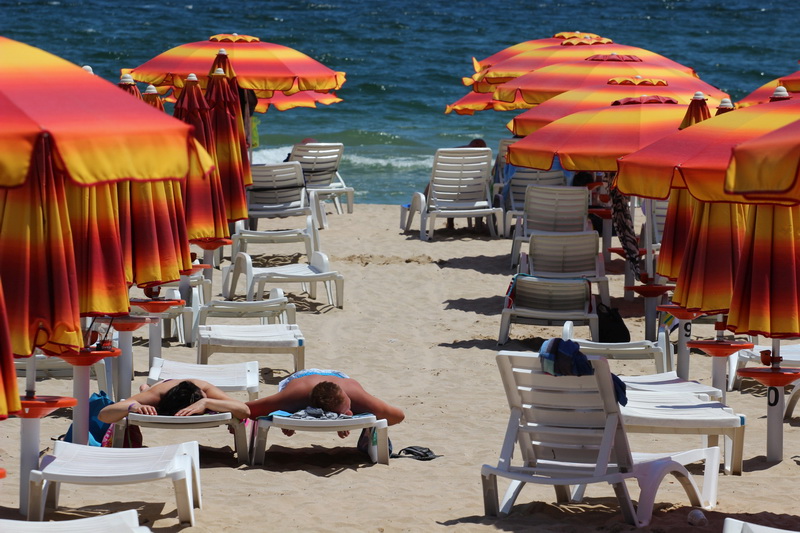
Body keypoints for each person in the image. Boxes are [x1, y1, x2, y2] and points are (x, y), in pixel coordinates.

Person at [245, 369, 405, 437]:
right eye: (346, 412)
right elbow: (247, 409)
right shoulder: (293, 397)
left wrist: (349, 418)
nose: (350, 413)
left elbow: (398, 416)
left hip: (337, 377)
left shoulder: (352, 392)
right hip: (301, 378)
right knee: (284, 406)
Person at [98, 379, 250, 424]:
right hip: (163, 385)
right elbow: (103, 415)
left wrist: (206, 402)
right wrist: (134, 406)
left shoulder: (205, 390)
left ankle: (145, 387)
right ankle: (145, 388)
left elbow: (244, 410)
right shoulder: (156, 396)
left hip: (191, 387)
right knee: (146, 391)